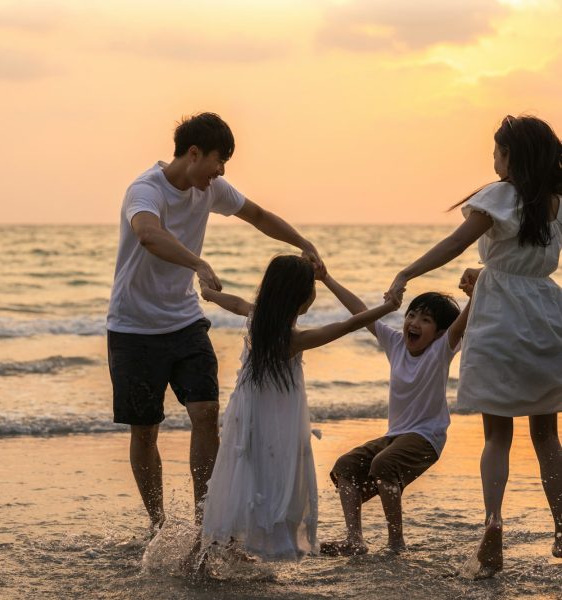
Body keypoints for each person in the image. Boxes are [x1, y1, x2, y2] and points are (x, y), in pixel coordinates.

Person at [107, 113, 324, 531]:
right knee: (145, 431)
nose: (221, 171)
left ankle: (207, 524)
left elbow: (258, 215)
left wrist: (302, 242)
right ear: (193, 154)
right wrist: (198, 262)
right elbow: (148, 235)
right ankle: (158, 525)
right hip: (133, 327)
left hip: (186, 320)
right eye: (218, 161)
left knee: (206, 413)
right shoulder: (144, 190)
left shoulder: (211, 190)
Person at [386, 115, 562, 577]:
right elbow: (527, 264)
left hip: (500, 320)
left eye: (497, 150)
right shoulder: (555, 202)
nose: (493, 158)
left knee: (497, 436)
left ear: (512, 156)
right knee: (546, 435)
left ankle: (493, 527)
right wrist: (493, 275)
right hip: (546, 315)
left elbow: (454, 243)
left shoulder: (500, 195)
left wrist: (407, 273)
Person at [199, 255, 402, 560]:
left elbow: (235, 303)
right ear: (302, 296)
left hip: (244, 415)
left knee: (241, 472)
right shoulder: (292, 339)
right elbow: (348, 325)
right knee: (268, 475)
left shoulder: (258, 321)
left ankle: (222, 542)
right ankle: (240, 541)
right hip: (271, 422)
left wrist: (210, 293)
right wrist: (388, 307)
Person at [320, 280, 471, 555]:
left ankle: (396, 544)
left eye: (426, 320)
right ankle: (355, 540)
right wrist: (327, 278)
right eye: (412, 315)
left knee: (384, 464)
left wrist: (477, 293)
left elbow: (461, 323)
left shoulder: (441, 349)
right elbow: (360, 311)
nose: (414, 322)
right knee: (346, 465)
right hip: (395, 436)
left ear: (439, 333)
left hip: (427, 436)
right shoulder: (396, 343)